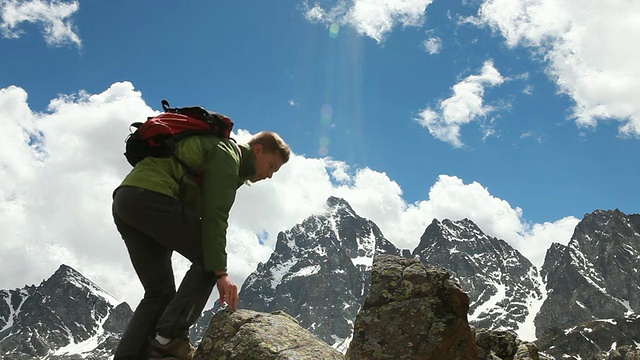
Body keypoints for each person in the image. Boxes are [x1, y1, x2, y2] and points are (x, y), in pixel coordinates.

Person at [112, 130, 291, 360]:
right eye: (271, 166)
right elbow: (215, 216)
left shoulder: (222, 156)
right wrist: (221, 272)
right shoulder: (228, 156)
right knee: (209, 259)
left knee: (159, 293)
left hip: (126, 200)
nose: (270, 175)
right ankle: (169, 340)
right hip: (152, 196)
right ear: (258, 150)